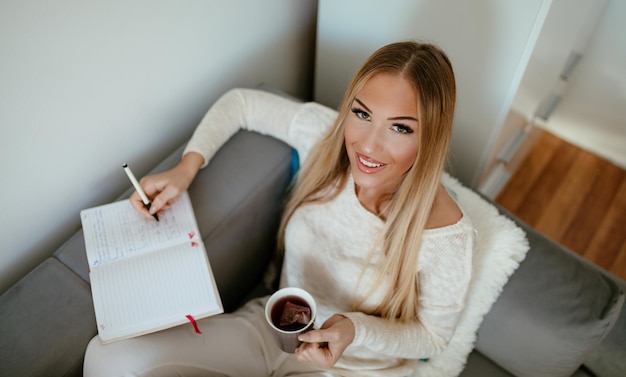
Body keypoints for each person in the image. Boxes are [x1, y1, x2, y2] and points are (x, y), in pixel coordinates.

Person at [83, 41, 475, 377]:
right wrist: (187, 168)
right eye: (362, 114)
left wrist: (353, 329)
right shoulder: (327, 139)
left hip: (348, 368)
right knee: (108, 356)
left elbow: (433, 337)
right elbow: (242, 103)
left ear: (431, 137)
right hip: (271, 332)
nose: (369, 146)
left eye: (400, 128)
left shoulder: (446, 236)